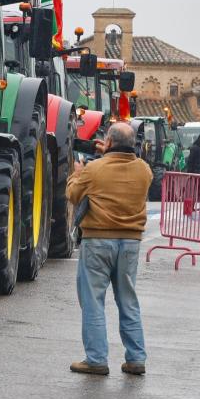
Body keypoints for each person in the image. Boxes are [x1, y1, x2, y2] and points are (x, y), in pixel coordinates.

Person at [65, 121, 152, 376]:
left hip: (98, 241)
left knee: (93, 301)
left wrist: (77, 172)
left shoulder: (93, 169)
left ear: (109, 143)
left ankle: (96, 359)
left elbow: (73, 194)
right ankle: (136, 358)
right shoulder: (145, 170)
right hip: (130, 243)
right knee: (128, 300)